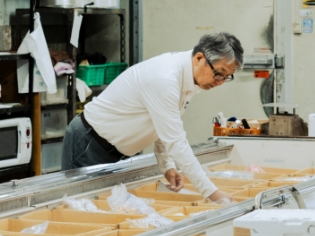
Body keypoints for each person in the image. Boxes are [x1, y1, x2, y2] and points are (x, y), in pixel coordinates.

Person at [61, 32, 243, 203]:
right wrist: (211, 193)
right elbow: (176, 141)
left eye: (227, 77)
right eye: (218, 73)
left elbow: (164, 126)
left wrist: (167, 166)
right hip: (88, 142)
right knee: (82, 207)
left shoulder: (188, 78)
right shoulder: (165, 78)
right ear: (199, 58)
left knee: (107, 208)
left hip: (115, 151)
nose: (219, 82)